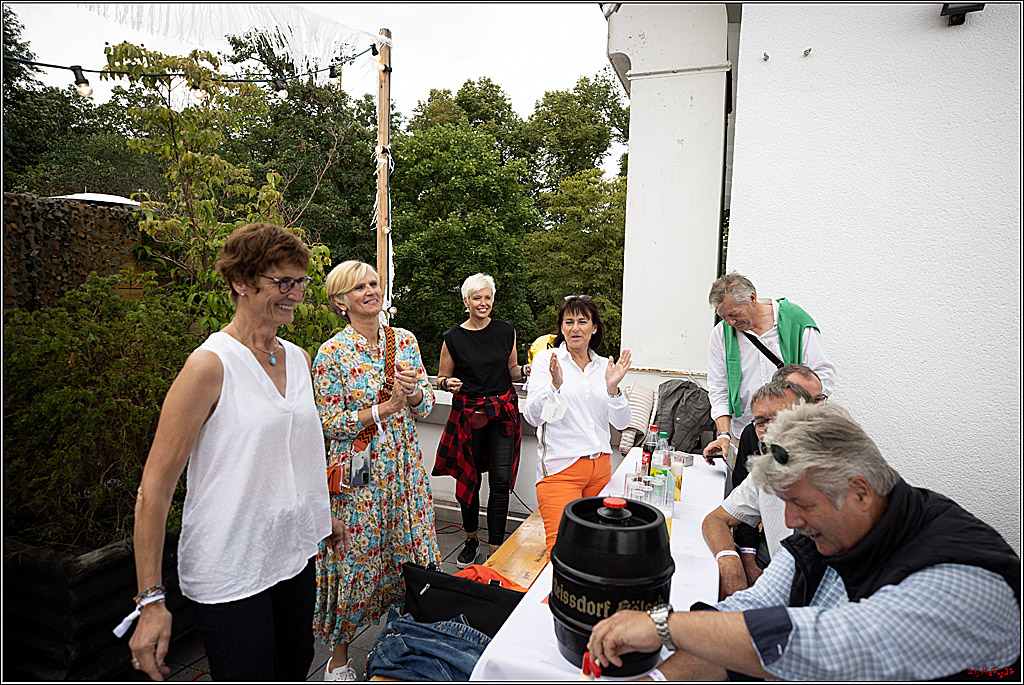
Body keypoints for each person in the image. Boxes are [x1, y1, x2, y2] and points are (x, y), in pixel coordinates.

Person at [589, 402, 1020, 681]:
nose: (791, 522)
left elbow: (831, 647)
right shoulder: (826, 538)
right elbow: (740, 618)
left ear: (861, 491)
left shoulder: (967, 578)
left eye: (801, 504)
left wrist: (663, 625)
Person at [126, 223, 349, 682]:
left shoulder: (299, 359)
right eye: (282, 283)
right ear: (241, 283)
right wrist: (150, 600)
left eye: (300, 282)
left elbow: (294, 454)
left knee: (292, 667)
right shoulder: (209, 366)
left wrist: (319, 514)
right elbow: (154, 490)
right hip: (231, 565)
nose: (295, 295)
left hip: (292, 553)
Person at [312, 261, 441, 681]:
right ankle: (338, 658)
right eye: (359, 287)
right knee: (354, 557)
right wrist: (383, 409)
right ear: (340, 301)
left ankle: (400, 641)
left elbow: (424, 407)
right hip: (360, 475)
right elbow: (330, 422)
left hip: (403, 469)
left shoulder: (403, 340)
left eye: (374, 283)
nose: (371, 291)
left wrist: (417, 391)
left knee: (409, 550)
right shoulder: (331, 353)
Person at [522, 295, 632, 557]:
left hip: (601, 469)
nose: (575, 328)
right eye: (568, 321)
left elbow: (622, 422)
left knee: (597, 551)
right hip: (561, 470)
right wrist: (554, 386)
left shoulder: (604, 366)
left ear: (594, 328)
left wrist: (613, 388)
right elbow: (532, 417)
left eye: (583, 321)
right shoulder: (547, 361)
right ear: (560, 327)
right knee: (562, 552)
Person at [433, 273, 527, 567]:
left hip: (502, 413)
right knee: (469, 482)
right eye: (477, 298)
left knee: (500, 483)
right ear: (466, 302)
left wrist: (527, 370)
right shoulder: (453, 337)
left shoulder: (505, 330)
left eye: (488, 297)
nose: (483, 303)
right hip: (469, 416)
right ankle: (472, 539)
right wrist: (448, 385)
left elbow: (511, 370)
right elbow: (441, 378)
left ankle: (495, 548)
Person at [702, 272, 836, 465]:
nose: (730, 323)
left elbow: (822, 377)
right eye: (724, 317)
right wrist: (724, 434)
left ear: (752, 299)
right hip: (745, 435)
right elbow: (718, 388)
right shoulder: (721, 334)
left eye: (735, 315)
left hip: (794, 434)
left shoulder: (796, 321)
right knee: (746, 491)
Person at [701, 380, 812, 598]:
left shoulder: (834, 477)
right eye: (761, 422)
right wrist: (728, 560)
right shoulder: (766, 472)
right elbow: (715, 520)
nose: (770, 429)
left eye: (781, 418)